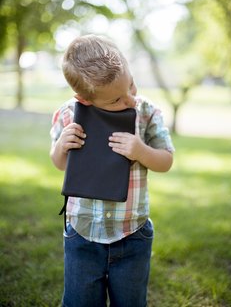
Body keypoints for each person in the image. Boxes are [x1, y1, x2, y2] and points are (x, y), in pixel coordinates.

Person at [50, 34, 174, 307]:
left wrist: (141, 151)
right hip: (82, 232)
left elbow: (166, 160)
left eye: (131, 84)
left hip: (132, 233)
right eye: (117, 100)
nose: (130, 99)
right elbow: (59, 164)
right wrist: (61, 147)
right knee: (79, 302)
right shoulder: (68, 115)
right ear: (84, 99)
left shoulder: (147, 112)